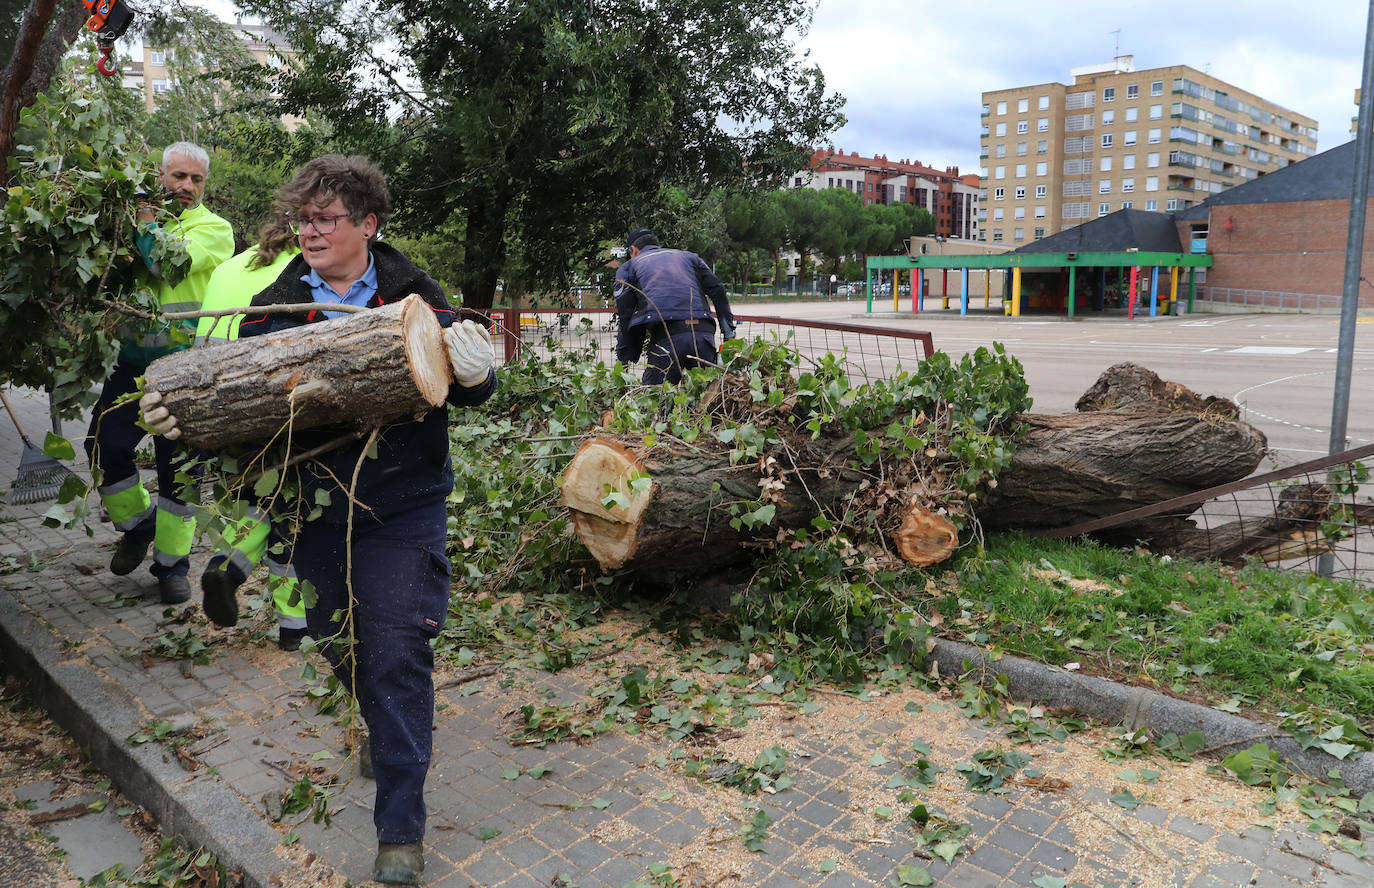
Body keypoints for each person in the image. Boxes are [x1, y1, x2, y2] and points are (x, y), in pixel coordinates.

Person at [142, 154, 496, 886]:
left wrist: (476, 369)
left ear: (368, 223)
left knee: (398, 650)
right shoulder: (273, 309)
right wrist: (180, 415)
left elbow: (462, 393)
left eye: (327, 218)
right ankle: (381, 715)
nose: (310, 230)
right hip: (314, 507)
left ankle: (401, 826)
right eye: (304, 217)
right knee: (339, 637)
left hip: (405, 503)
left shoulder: (414, 292)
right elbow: (240, 414)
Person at [86, 142, 234, 604]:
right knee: (100, 447)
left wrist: (146, 224)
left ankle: (172, 567)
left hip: (186, 368)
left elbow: (169, 264)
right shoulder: (129, 220)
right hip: (131, 365)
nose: (187, 187)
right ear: (160, 176)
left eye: (196, 180)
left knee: (181, 474)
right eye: (178, 177)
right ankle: (139, 526)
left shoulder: (215, 228)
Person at [194, 218, 310, 650]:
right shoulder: (299, 272)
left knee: (259, 506)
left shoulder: (231, 266)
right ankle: (294, 626)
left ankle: (226, 566)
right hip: (276, 403)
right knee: (291, 517)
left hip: (223, 406)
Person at [613, 227, 736, 384]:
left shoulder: (629, 268)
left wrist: (626, 359)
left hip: (667, 341)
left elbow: (626, 316)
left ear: (633, 250)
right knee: (704, 401)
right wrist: (729, 333)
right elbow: (718, 290)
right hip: (703, 335)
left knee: (655, 402)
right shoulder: (691, 258)